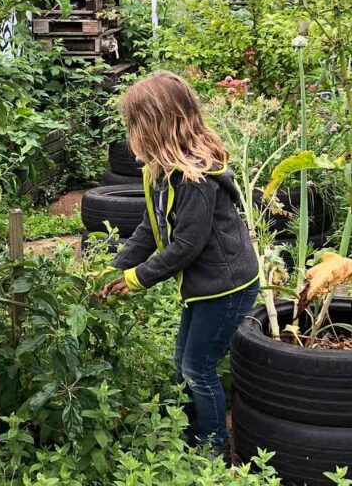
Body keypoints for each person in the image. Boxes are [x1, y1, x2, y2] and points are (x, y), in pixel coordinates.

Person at [102, 72, 259, 454]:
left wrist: (136, 278)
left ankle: (213, 447)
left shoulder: (195, 178)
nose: (129, 133)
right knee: (184, 362)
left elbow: (186, 245)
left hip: (227, 287)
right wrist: (115, 267)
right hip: (207, 286)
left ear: (156, 124)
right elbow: (148, 226)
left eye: (133, 124)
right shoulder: (163, 171)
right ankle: (190, 431)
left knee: (198, 368)